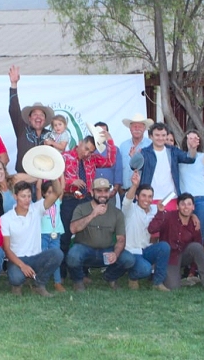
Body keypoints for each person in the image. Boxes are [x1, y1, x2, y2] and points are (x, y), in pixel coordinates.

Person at [59, 132, 117, 279]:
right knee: (65, 234)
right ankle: (61, 271)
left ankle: (82, 271)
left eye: (90, 151)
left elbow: (109, 161)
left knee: (85, 235)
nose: (87, 153)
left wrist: (109, 140)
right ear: (79, 143)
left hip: (86, 199)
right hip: (69, 199)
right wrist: (70, 182)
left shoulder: (91, 159)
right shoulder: (64, 157)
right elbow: (51, 180)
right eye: (85, 148)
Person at [66, 178, 135, 292]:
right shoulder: (81, 208)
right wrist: (93, 214)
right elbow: (73, 229)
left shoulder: (117, 213)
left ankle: (110, 277)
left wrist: (115, 253)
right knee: (73, 255)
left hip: (106, 251)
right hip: (85, 249)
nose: (103, 194)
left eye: (106, 191)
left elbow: (121, 239)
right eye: (99, 191)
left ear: (109, 193)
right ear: (92, 192)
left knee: (129, 259)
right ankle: (78, 281)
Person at [1, 179, 65, 297]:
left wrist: (54, 175)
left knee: (57, 254)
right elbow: (7, 249)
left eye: (29, 196)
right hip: (17, 259)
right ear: (15, 197)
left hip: (36, 257)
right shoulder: (6, 218)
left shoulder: (37, 209)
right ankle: (18, 284)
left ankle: (39, 284)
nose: (27, 200)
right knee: (16, 278)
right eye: (23, 196)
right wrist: (22, 265)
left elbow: (57, 193)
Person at [148, 192, 204, 292]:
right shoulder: (168, 217)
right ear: (177, 206)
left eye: (189, 204)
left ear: (193, 207)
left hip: (184, 254)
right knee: (173, 286)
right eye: (183, 204)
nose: (186, 207)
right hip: (170, 257)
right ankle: (165, 274)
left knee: (197, 247)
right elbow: (152, 229)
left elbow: (198, 248)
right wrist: (160, 212)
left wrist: (192, 271)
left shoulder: (195, 223)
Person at [121, 172, 170, 291]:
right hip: (131, 251)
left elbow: (171, 217)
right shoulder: (130, 209)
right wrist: (134, 186)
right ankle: (133, 277)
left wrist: (193, 217)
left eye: (149, 196)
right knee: (145, 269)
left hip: (146, 250)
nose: (146, 199)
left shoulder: (154, 210)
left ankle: (158, 282)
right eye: (143, 195)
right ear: (137, 197)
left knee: (164, 247)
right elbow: (127, 200)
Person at [139, 122, 195, 212]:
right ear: (150, 136)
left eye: (163, 135)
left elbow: (190, 159)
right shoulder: (144, 152)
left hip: (171, 198)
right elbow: (133, 167)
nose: (160, 138)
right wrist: (134, 158)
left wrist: (192, 148)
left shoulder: (173, 151)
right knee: (151, 226)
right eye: (157, 135)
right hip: (149, 199)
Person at [8, 65, 54, 173]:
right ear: (29, 118)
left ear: (45, 119)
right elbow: (14, 110)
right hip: (23, 180)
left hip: (44, 180)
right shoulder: (22, 129)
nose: (38, 117)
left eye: (41, 115)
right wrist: (13, 85)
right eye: (35, 114)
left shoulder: (50, 135)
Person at [40, 180, 66, 292]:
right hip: (43, 234)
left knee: (56, 258)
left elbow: (62, 188)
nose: (51, 195)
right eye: (49, 192)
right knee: (42, 259)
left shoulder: (57, 202)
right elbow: (37, 188)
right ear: (44, 193)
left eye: (53, 192)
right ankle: (41, 282)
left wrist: (58, 173)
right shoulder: (40, 203)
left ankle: (57, 282)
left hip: (55, 235)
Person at [120, 113, 153, 196]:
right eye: (134, 126)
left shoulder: (150, 145)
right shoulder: (123, 146)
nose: (137, 129)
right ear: (130, 129)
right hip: (125, 192)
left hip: (143, 193)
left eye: (140, 126)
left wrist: (135, 158)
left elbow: (151, 168)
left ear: (144, 129)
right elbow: (120, 168)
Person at [93, 121, 123, 208]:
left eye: (104, 132)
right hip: (92, 191)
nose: (102, 134)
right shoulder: (89, 149)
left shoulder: (114, 150)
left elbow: (118, 170)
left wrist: (116, 188)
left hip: (109, 190)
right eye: (99, 132)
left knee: (110, 215)